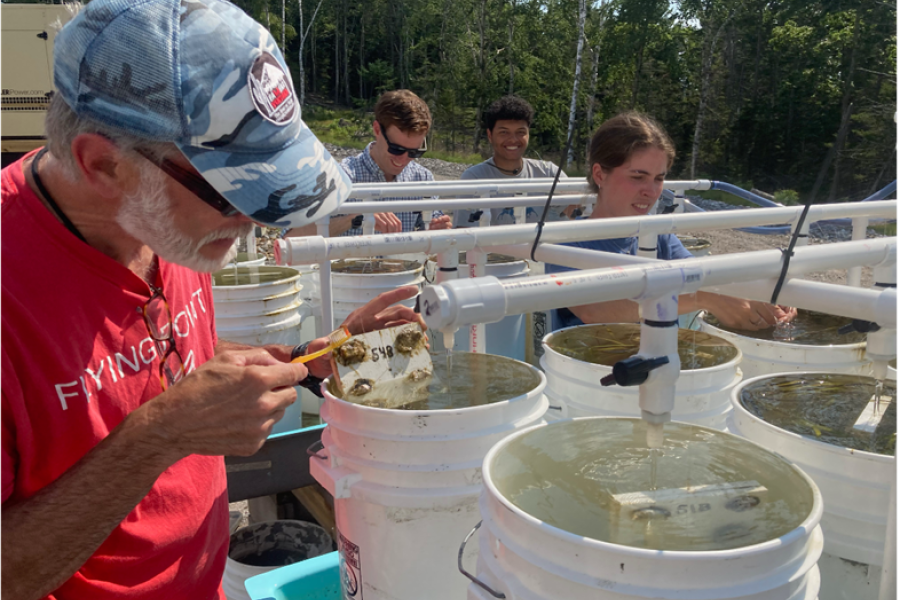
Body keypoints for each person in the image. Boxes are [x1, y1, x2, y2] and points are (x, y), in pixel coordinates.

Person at [0, 2, 424, 599]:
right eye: (232, 193)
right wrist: (159, 437)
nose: (252, 219)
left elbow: (158, 358)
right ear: (102, 164)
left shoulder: (159, 217)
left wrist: (307, 357)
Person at [546, 112, 796, 332]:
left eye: (658, 178)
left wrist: (764, 292)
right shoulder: (565, 242)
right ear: (600, 174)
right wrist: (707, 299)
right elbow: (594, 309)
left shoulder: (658, 235)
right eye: (638, 177)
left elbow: (703, 275)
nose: (651, 191)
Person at [287, 90, 452, 237]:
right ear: (377, 130)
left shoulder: (422, 178)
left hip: (403, 270)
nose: (403, 160)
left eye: (415, 152)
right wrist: (356, 218)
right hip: (347, 271)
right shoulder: (340, 176)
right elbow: (290, 238)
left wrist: (439, 234)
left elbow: (434, 246)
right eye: (396, 149)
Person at [455, 96, 572, 227]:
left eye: (520, 132)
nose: (513, 139)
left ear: (528, 134)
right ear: (490, 135)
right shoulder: (474, 178)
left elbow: (577, 211)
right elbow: (463, 233)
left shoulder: (548, 172)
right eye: (504, 132)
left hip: (541, 248)